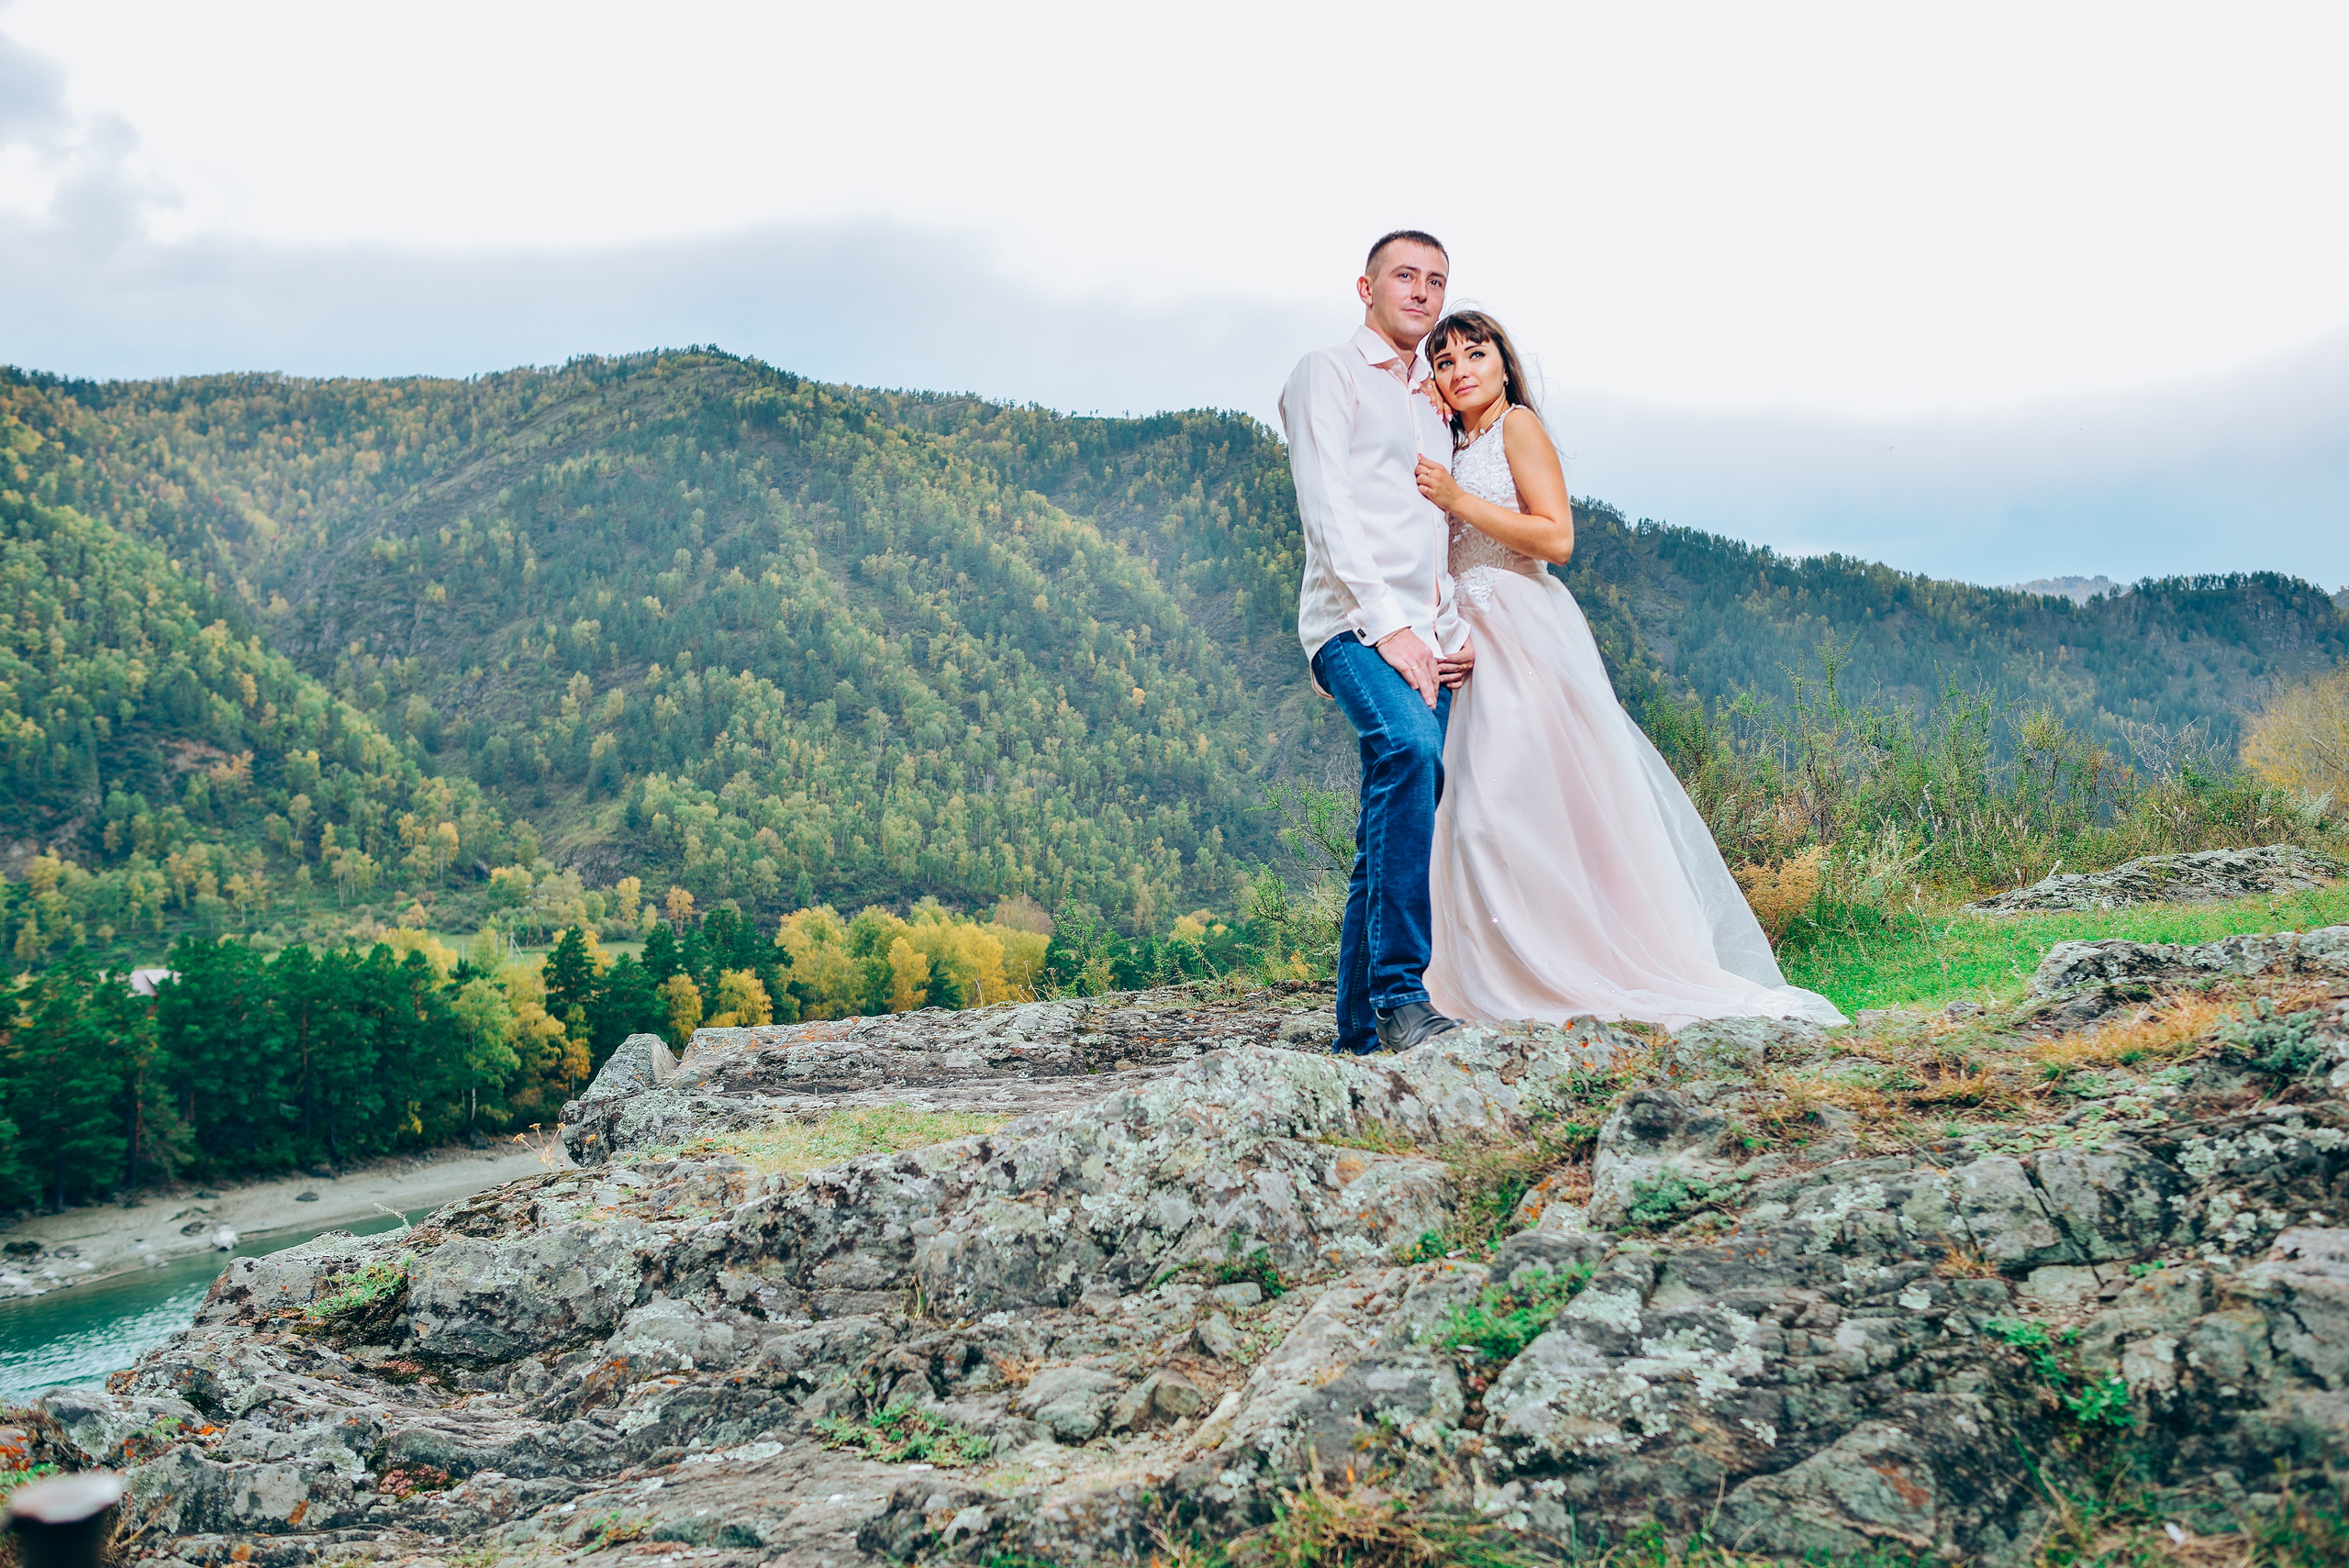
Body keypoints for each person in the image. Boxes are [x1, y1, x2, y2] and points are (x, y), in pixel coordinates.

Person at [1412, 310, 1846, 1029]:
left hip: (1523, 631)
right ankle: (1500, 973)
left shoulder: (1518, 426)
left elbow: (1557, 538)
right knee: (1472, 814)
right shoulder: (1457, 438)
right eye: (1445, 360)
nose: (1460, 370)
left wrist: (1460, 500)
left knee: (1502, 811)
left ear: (1503, 361)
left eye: (1475, 353)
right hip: (1472, 641)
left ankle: (1558, 972)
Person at [1279, 230, 1477, 1055]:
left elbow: (1433, 535)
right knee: (1407, 749)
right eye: (1406, 276)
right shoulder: (1325, 373)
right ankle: (1401, 994)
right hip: (1349, 623)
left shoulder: (1429, 406)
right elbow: (1327, 508)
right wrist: (1392, 629)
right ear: (1366, 287)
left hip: (1423, 636)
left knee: (1391, 814)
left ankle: (1358, 1032)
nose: (1424, 293)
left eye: (1437, 280)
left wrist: (1445, 631)